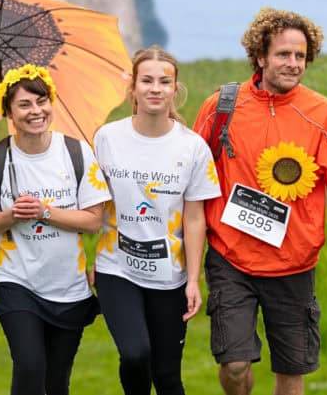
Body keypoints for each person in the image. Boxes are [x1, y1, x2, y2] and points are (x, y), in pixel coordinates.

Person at [193, 8, 327, 395]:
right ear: (260, 56)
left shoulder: (325, 115)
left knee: (291, 371)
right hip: (231, 258)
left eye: (300, 56)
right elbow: (191, 174)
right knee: (233, 364)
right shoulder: (221, 107)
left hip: (294, 263)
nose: (293, 64)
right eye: (283, 54)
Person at [0, 65, 111, 395]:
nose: (35, 111)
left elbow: (94, 221)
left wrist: (44, 211)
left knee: (57, 380)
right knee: (30, 366)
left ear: (51, 103)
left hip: (69, 286)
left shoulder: (77, 153)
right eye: (24, 105)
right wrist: (13, 215)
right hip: (15, 279)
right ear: (9, 112)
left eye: (41, 101)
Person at [92, 45, 221, 395]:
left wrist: (193, 280)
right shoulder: (107, 138)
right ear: (132, 86)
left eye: (164, 82)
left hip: (169, 275)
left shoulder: (193, 147)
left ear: (175, 90)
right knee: (135, 354)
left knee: (166, 376)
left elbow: (195, 219)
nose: (155, 88)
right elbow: (91, 205)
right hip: (115, 268)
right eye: (146, 80)